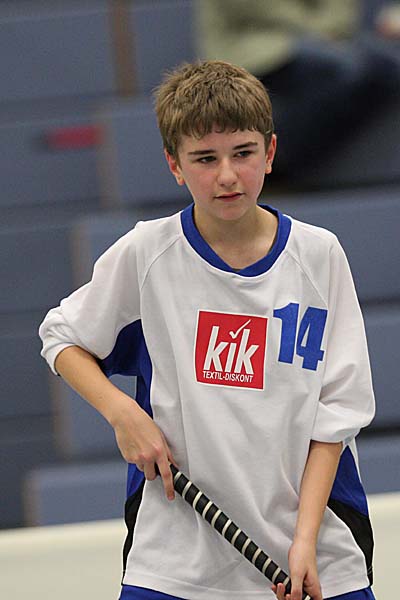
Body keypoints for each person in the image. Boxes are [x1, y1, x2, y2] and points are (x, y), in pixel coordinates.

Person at [39, 60, 376, 600]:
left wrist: (304, 540)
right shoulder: (147, 253)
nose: (226, 175)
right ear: (174, 165)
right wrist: (123, 414)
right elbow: (61, 338)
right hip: (174, 560)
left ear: (269, 152)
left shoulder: (320, 256)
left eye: (243, 153)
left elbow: (336, 416)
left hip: (314, 552)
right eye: (205, 158)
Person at [197, 0, 400, 180]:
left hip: (323, 39)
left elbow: (338, 11)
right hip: (255, 42)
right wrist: (317, 30)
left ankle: (277, 154)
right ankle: (269, 157)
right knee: (345, 68)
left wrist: (327, 30)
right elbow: (255, 8)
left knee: (385, 66)